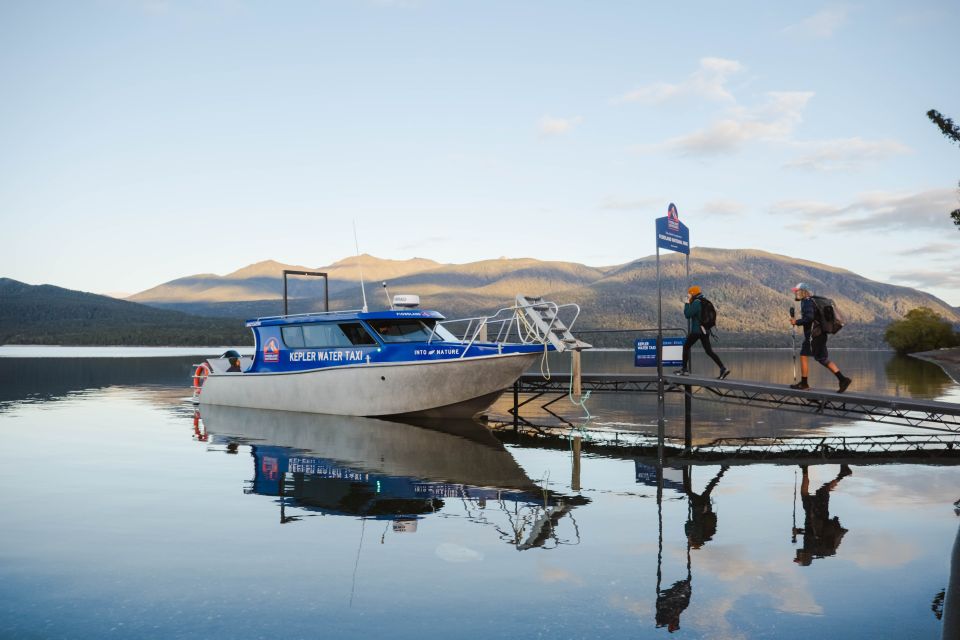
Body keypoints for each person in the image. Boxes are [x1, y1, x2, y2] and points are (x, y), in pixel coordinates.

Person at [788, 283, 852, 392]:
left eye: (797, 291)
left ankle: (804, 384)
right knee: (822, 359)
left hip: (813, 336)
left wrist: (796, 322)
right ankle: (843, 379)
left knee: (804, 355)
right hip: (821, 334)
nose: (795, 292)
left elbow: (809, 318)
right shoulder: (813, 301)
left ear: (803, 291)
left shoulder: (807, 302)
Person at [676, 285, 730, 379]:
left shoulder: (696, 303)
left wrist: (686, 303)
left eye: (689, 293)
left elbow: (687, 314)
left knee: (686, 347)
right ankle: (723, 368)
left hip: (697, 331)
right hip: (705, 330)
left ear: (692, 294)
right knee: (709, 351)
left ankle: (684, 370)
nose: (688, 295)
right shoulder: (703, 301)